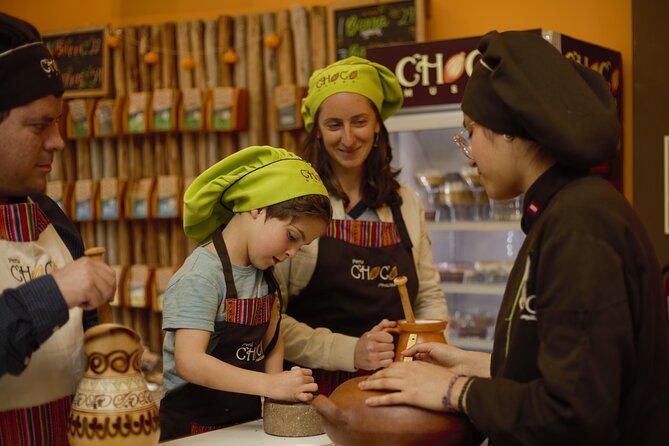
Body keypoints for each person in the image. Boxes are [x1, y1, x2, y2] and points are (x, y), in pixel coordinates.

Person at [359, 30, 669, 445]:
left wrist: (455, 391)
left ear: (508, 131)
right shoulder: (566, 210)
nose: (470, 157)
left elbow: (573, 413)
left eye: (471, 132)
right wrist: (478, 364)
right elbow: (568, 368)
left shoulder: (581, 227)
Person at [274, 56, 449, 395]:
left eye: (359, 122)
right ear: (318, 130)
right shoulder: (295, 203)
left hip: (397, 388)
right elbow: (269, 321)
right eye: (334, 125)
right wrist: (350, 351)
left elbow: (427, 296)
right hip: (312, 393)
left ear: (377, 125)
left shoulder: (405, 203)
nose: (349, 138)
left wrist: (432, 349)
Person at [159, 145, 332, 441]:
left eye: (300, 246)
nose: (291, 252)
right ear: (257, 206)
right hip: (193, 430)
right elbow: (190, 362)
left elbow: (273, 342)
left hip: (245, 425)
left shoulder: (264, 277)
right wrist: (271, 385)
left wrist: (279, 399)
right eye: (291, 236)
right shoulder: (201, 276)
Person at [0, 12, 117, 445]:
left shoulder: (51, 216)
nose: (58, 141)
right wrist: (54, 292)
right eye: (39, 124)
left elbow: (84, 336)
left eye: (58, 121)